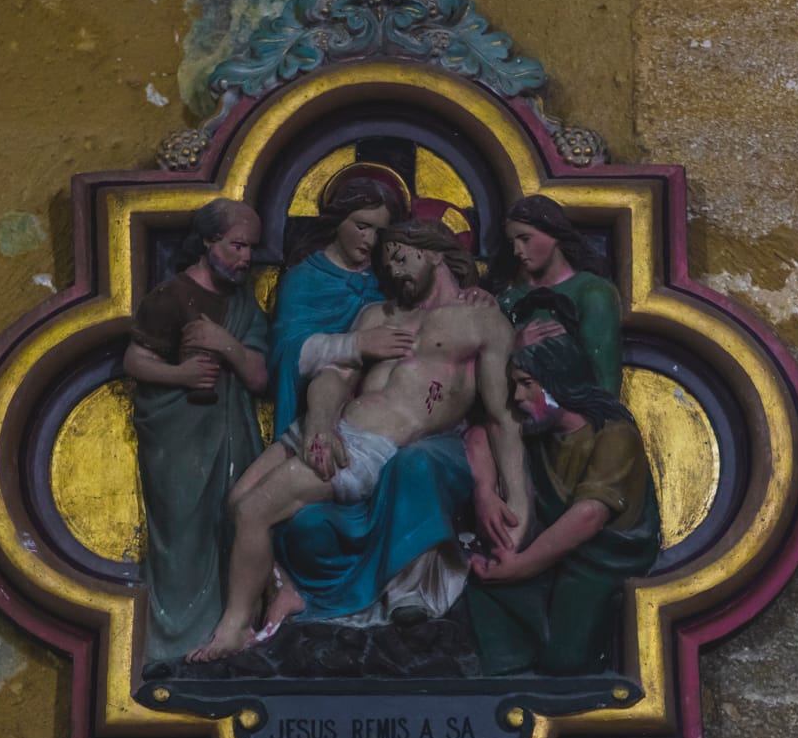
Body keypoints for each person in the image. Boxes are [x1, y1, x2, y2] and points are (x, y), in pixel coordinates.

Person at [187, 218, 530, 662]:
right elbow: (334, 376)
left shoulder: (481, 322)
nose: (395, 271)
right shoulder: (378, 316)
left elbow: (502, 418)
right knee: (237, 502)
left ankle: (234, 628)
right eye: (388, 263)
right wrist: (322, 425)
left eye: (403, 257)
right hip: (326, 429)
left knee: (255, 512)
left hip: (369, 447)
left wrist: (517, 504)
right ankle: (284, 590)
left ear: (435, 253)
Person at [466, 291, 660, 676]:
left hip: (599, 562)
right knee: (480, 592)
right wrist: (485, 490)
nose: (517, 396)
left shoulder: (614, 436)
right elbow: (480, 434)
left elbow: (588, 517)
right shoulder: (537, 432)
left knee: (565, 662)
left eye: (525, 384)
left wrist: (519, 567)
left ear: (557, 379)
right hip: (554, 556)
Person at [124, 199, 269, 662]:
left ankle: (234, 629)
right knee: (185, 536)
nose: (246, 258)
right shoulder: (170, 297)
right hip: (179, 443)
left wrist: (224, 344)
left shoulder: (244, 305)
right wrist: (181, 377)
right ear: (208, 242)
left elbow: (261, 377)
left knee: (234, 523)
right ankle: (178, 641)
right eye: (237, 246)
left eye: (251, 249)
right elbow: (136, 360)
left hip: (234, 438)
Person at [268, 163, 413, 438]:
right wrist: (356, 345)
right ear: (338, 221)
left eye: (379, 232)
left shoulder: (389, 278)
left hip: (380, 412)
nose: (370, 240)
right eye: (362, 226)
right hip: (314, 412)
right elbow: (285, 355)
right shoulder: (304, 279)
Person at [487, 195, 623, 395]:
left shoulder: (593, 294)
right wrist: (514, 346)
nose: (517, 251)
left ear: (554, 233)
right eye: (512, 242)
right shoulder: (508, 299)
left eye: (525, 239)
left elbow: (604, 379)